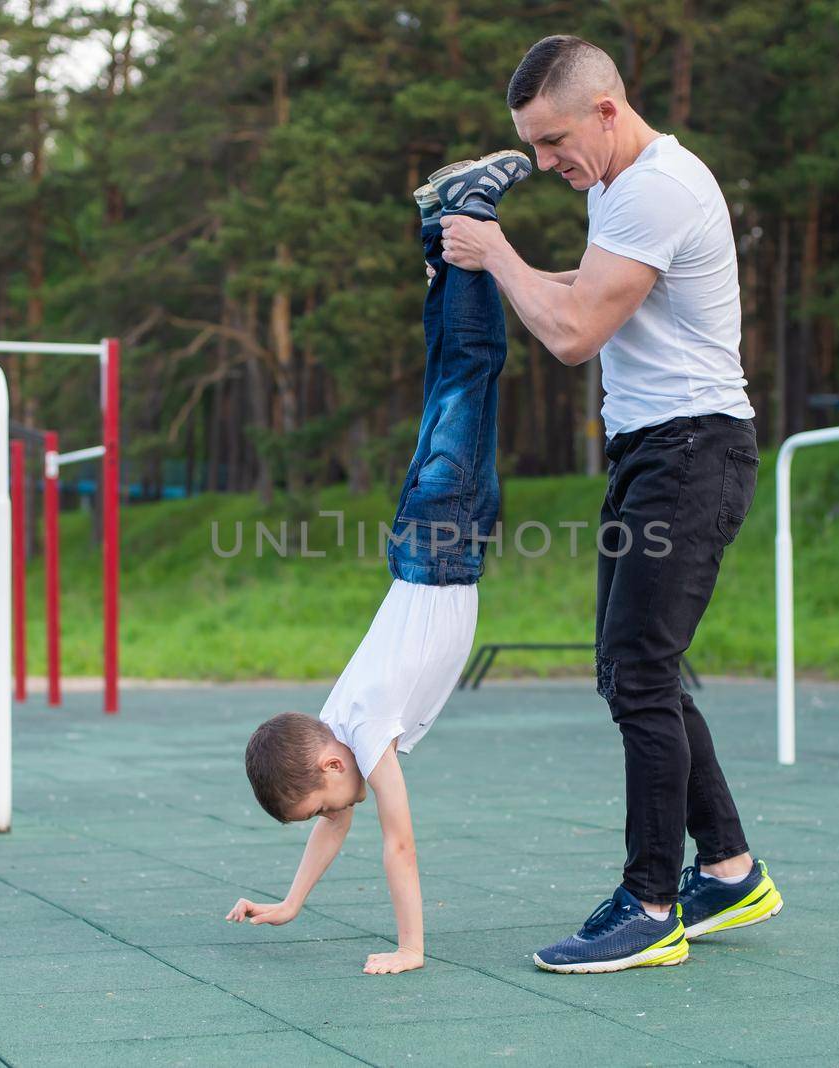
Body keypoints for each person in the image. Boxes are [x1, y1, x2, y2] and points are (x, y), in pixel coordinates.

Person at [437, 34, 783, 974]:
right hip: (654, 454)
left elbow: (576, 332)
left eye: (552, 143)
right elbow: (585, 293)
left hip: (692, 451)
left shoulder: (657, 188)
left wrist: (495, 249)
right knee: (641, 670)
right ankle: (729, 870)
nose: (547, 165)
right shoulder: (617, 192)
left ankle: (652, 903)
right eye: (533, 148)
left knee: (637, 673)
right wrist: (485, 268)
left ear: (605, 109)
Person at [224, 149, 533, 976]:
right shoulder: (337, 723)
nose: (339, 807)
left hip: (443, 543)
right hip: (421, 543)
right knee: (448, 381)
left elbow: (397, 839)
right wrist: (290, 904)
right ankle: (440, 229)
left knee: (470, 372)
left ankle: (471, 213)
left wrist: (410, 948)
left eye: (330, 794)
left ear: (329, 761)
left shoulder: (362, 735)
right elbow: (336, 821)